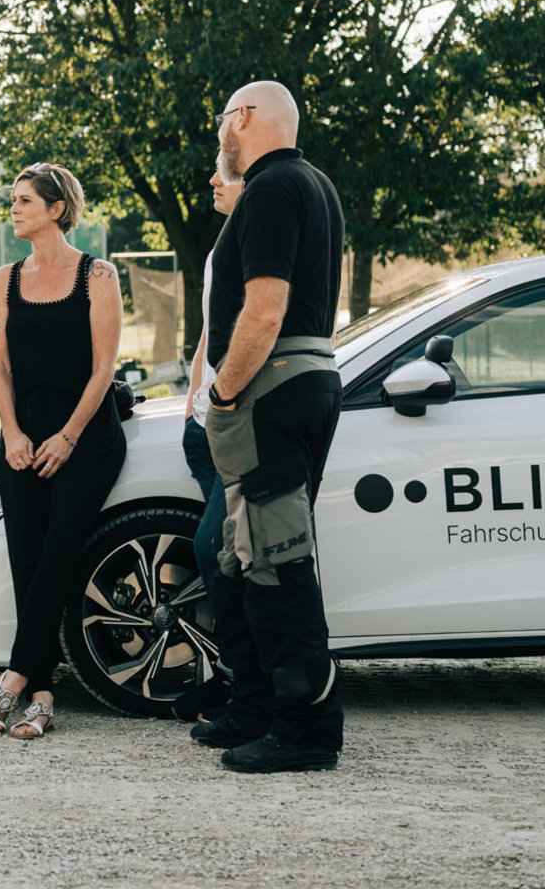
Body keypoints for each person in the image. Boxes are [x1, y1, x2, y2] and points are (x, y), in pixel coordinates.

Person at [196, 80, 347, 773]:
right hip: (309, 380)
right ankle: (256, 707)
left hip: (271, 389)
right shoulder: (316, 185)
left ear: (247, 119)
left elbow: (264, 310)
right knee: (245, 555)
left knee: (278, 562)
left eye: (225, 117)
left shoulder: (268, 189)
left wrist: (224, 392)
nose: (221, 130)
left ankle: (305, 732)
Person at [0, 164, 126, 739]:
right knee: (28, 562)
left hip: (86, 438)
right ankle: (42, 692)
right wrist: (12, 432)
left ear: (57, 209)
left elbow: (103, 369)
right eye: (12, 200)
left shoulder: (99, 275)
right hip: (22, 438)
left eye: (25, 200)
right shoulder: (2, 280)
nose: (13, 209)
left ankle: (12, 678)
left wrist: (67, 436)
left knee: (59, 553)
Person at [172, 154, 243, 723]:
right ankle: (234, 677)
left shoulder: (258, 240)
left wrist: (219, 403)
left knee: (217, 551)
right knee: (227, 554)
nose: (212, 179)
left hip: (233, 421)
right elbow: (210, 333)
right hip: (204, 426)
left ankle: (241, 680)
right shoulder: (225, 243)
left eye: (226, 172)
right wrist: (197, 406)